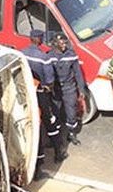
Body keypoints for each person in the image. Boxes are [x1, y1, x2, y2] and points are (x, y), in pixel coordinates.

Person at [22, 30, 67, 166]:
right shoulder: (44, 57)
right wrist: (49, 89)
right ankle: (58, 152)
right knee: (49, 121)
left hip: (26, 93)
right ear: (39, 39)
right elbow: (50, 80)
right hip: (41, 93)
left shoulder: (22, 53)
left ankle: (38, 157)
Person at [49, 34, 86, 146]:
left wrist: (81, 89)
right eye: (62, 43)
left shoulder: (71, 55)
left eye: (65, 43)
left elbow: (78, 73)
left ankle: (71, 134)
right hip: (56, 89)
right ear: (55, 43)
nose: (64, 45)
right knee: (56, 112)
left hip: (69, 88)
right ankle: (58, 136)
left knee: (71, 112)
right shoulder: (49, 56)